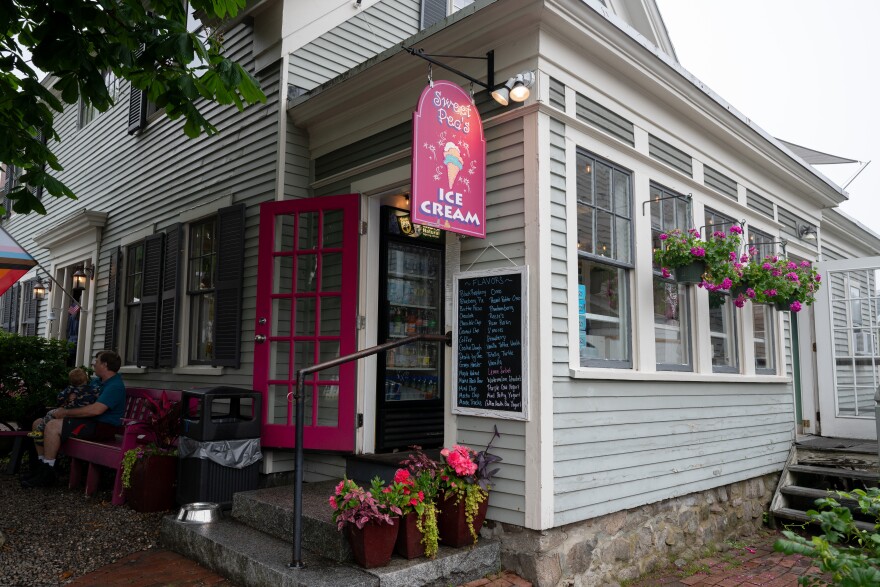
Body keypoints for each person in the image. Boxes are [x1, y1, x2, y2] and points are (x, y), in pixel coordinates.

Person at [21, 351, 126, 488]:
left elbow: (95, 410)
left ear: (105, 365)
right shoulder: (96, 382)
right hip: (88, 422)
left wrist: (66, 412)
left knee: (53, 426)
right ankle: (41, 467)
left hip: (101, 427)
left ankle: (48, 474)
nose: (94, 363)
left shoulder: (114, 386)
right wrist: (70, 397)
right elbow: (77, 392)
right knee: (37, 423)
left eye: (97, 361)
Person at [27, 368, 97, 442]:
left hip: (69, 411)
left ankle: (39, 431)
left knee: (50, 413)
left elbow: (60, 398)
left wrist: (66, 398)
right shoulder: (93, 389)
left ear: (71, 381)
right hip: (82, 414)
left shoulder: (70, 389)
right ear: (86, 378)